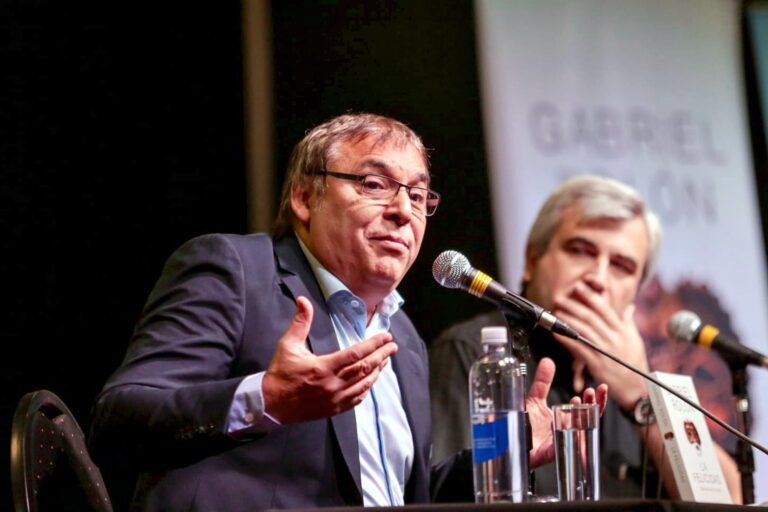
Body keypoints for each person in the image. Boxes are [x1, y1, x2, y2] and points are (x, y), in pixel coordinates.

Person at [87, 113, 606, 511]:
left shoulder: (401, 335)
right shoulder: (235, 271)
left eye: (419, 195)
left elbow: (411, 495)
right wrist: (264, 398)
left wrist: (505, 451)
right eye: (375, 185)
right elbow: (119, 420)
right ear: (304, 197)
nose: (404, 210)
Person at [429, 175, 742, 502]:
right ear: (532, 261)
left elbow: (726, 499)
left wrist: (639, 393)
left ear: (636, 292)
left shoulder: (635, 377)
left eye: (621, 266)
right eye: (580, 250)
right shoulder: (472, 352)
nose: (597, 278)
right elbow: (446, 496)